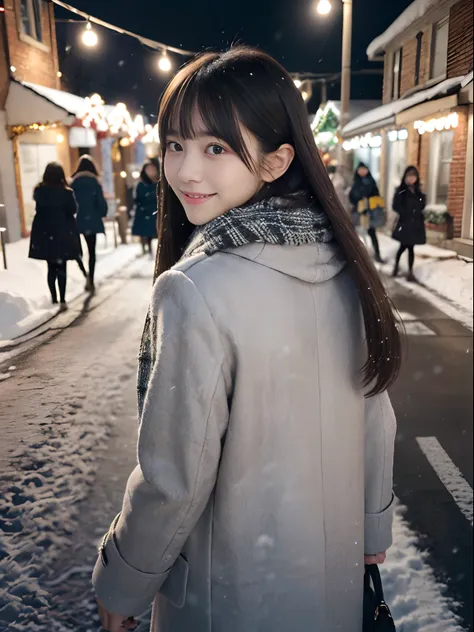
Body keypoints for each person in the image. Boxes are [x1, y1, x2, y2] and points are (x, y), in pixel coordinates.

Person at [93, 47, 399, 632]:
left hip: (229, 595)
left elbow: (174, 479)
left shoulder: (194, 289)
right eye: (176, 144)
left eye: (216, 148)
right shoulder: (343, 263)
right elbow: (375, 413)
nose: (185, 171)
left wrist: (122, 581)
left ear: (276, 159)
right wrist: (372, 526)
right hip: (329, 583)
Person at [28, 162, 82, 311]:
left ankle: (54, 298)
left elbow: (39, 209)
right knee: (61, 267)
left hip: (45, 233)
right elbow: (72, 210)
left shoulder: (39, 192)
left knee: (51, 267)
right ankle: (63, 300)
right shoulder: (66, 192)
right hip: (62, 232)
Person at [71, 155, 108, 293]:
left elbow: (71, 203)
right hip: (92, 220)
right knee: (92, 252)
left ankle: (84, 272)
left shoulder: (73, 183)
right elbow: (101, 203)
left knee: (77, 251)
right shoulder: (95, 182)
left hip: (76, 220)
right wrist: (102, 213)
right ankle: (90, 279)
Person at [392, 166, 426, 282]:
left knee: (411, 248)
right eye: (409, 176)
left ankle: (410, 272)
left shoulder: (418, 191)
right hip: (405, 223)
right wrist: (405, 213)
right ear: (405, 177)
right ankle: (396, 266)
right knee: (403, 246)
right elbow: (396, 205)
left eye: (413, 177)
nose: (411, 179)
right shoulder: (401, 190)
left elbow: (422, 204)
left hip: (415, 223)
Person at [349, 163, 384, 263]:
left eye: (364, 169)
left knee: (372, 233)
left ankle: (377, 254)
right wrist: (359, 203)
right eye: (360, 169)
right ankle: (357, 255)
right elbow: (352, 198)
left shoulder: (371, 182)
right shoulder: (356, 182)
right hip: (358, 212)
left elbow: (376, 195)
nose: (362, 171)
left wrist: (371, 204)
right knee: (356, 234)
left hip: (370, 212)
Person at [132, 160, 160, 256]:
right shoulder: (141, 184)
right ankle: (146, 248)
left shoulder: (159, 182)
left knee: (155, 231)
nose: (151, 171)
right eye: (148, 169)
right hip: (144, 211)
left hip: (155, 210)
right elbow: (139, 198)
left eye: (152, 169)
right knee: (145, 232)